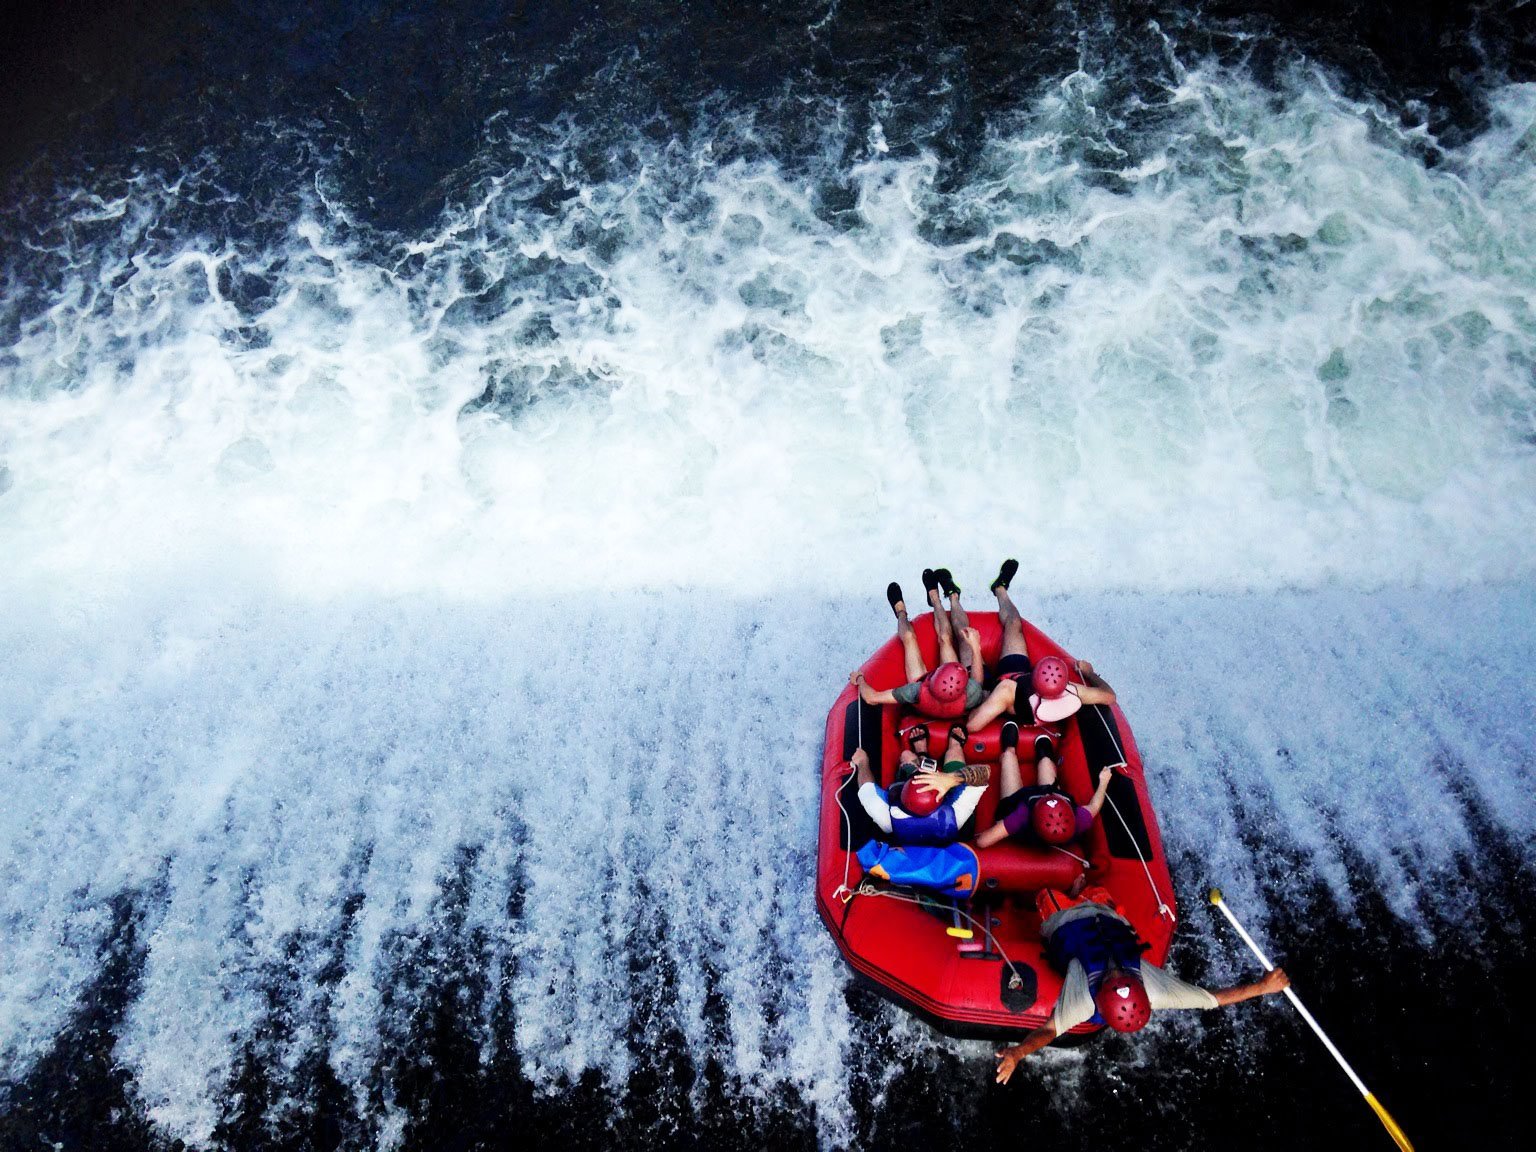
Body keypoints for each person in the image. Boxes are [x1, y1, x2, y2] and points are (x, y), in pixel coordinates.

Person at [994, 883, 1291, 1083]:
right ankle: (1085, 887)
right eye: (1121, 977)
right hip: (1106, 916)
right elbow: (1210, 999)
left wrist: (1018, 1053)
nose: (1115, 973)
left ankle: (1067, 892)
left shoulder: (1082, 997)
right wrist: (1263, 987)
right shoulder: (1155, 988)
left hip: (1064, 919)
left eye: (1114, 979)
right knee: (1097, 890)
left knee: (1045, 892)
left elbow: (1048, 1030)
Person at [965, 559, 1116, 733]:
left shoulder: (1006, 691)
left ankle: (954, 598)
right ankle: (1000, 588)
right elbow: (1110, 696)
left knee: (965, 643)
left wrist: (975, 701)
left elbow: (972, 725)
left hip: (999, 693)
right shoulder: (1072, 690)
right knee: (1014, 623)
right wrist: (1090, 673)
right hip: (1015, 676)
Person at [852, 570, 985, 721]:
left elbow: (871, 698)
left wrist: (860, 678)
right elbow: (978, 681)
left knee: (910, 639)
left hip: (924, 699)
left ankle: (901, 612)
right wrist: (975, 647)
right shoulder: (972, 694)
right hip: (943, 701)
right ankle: (935, 600)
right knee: (945, 639)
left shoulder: (915, 691)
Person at [973, 722, 1113, 851]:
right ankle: (1044, 755)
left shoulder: (1020, 816)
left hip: (1014, 804)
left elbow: (982, 842)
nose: (1047, 795)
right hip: (1036, 809)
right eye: (1052, 797)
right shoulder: (1079, 820)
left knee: (1009, 757)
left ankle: (1009, 749)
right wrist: (1104, 782)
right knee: (1046, 762)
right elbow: (1094, 806)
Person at [852, 726, 991, 846]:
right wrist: (950, 779)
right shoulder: (957, 813)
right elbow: (984, 772)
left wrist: (863, 761)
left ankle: (922, 755)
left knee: (906, 756)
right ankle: (954, 746)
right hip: (951, 832)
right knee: (954, 754)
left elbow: (866, 787)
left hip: (908, 836)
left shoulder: (885, 816)